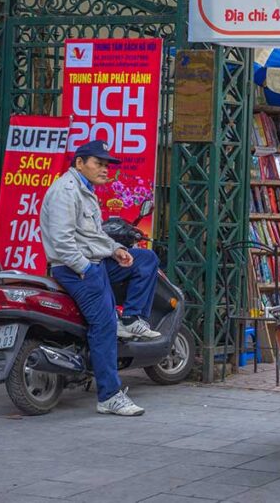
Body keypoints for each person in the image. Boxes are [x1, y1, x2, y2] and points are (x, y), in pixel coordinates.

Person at [40, 140, 162, 417]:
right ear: (79, 163)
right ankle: (109, 395)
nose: (105, 169)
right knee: (104, 325)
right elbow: (62, 243)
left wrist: (116, 249)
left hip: (96, 261)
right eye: (99, 163)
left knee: (145, 260)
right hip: (75, 268)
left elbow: (94, 235)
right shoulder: (65, 191)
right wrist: (86, 269)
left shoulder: (86, 190)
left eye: (107, 165)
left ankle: (131, 319)